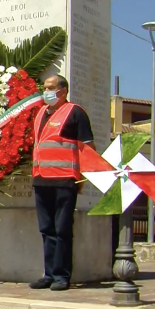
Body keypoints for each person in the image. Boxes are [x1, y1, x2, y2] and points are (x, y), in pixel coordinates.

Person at [30, 75, 95, 291]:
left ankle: (62, 276)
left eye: (50, 88)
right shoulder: (40, 114)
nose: (46, 91)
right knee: (46, 229)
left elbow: (88, 148)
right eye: (44, 88)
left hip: (64, 180)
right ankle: (48, 273)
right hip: (41, 179)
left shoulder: (75, 112)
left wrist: (83, 177)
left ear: (63, 91)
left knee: (63, 229)